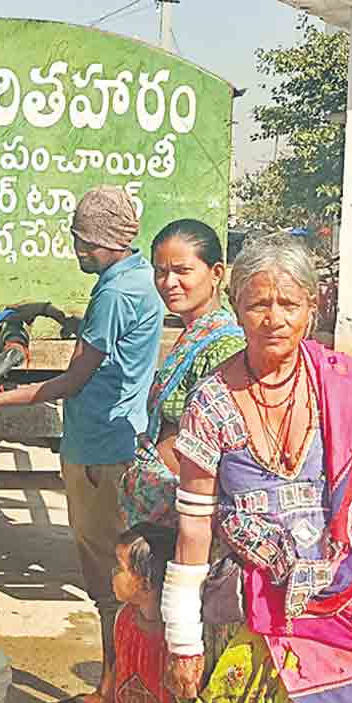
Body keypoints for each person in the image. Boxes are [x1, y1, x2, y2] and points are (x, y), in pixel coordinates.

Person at [159, 232, 352, 703]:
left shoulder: (343, 387)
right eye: (259, 305)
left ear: (311, 307)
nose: (274, 319)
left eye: (288, 304)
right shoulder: (212, 404)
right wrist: (184, 641)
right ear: (236, 309)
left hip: (348, 604)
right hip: (253, 610)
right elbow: (193, 530)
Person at [0, 186, 165, 703]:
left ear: (111, 241)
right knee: (124, 573)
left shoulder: (113, 292)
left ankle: (112, 687)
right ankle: (122, 682)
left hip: (98, 449)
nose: (78, 251)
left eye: (86, 243)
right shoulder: (133, 280)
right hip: (119, 438)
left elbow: (68, 383)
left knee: (113, 581)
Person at [121, 218, 245, 529]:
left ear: (216, 273)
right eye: (161, 272)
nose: (168, 282)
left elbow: (213, 437)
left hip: (187, 510)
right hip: (163, 501)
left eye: (182, 271)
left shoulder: (225, 345)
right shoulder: (193, 332)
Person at [110, 523, 178, 703]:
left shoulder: (173, 641)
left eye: (120, 568)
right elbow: (119, 666)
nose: (113, 573)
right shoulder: (125, 618)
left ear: (146, 584)